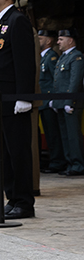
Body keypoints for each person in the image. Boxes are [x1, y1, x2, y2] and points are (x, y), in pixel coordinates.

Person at [0, 0, 37, 219]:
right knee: (3, 154)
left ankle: (24, 202)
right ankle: (11, 198)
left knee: (18, 152)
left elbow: (25, 62)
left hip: (13, 100)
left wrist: (24, 97)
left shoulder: (17, 21)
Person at [51, 29, 84, 177]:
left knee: (73, 135)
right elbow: (58, 82)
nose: (58, 42)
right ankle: (70, 163)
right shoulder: (63, 57)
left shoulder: (76, 57)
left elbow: (75, 81)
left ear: (70, 40)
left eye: (61, 39)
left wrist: (70, 101)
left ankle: (78, 165)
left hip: (71, 103)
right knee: (64, 135)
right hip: (61, 102)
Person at [38, 29, 66, 173]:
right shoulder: (41, 57)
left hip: (49, 101)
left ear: (49, 41)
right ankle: (53, 161)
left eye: (40, 38)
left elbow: (55, 80)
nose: (38, 40)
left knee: (53, 134)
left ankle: (57, 161)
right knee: (49, 134)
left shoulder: (51, 57)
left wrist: (53, 100)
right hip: (42, 102)